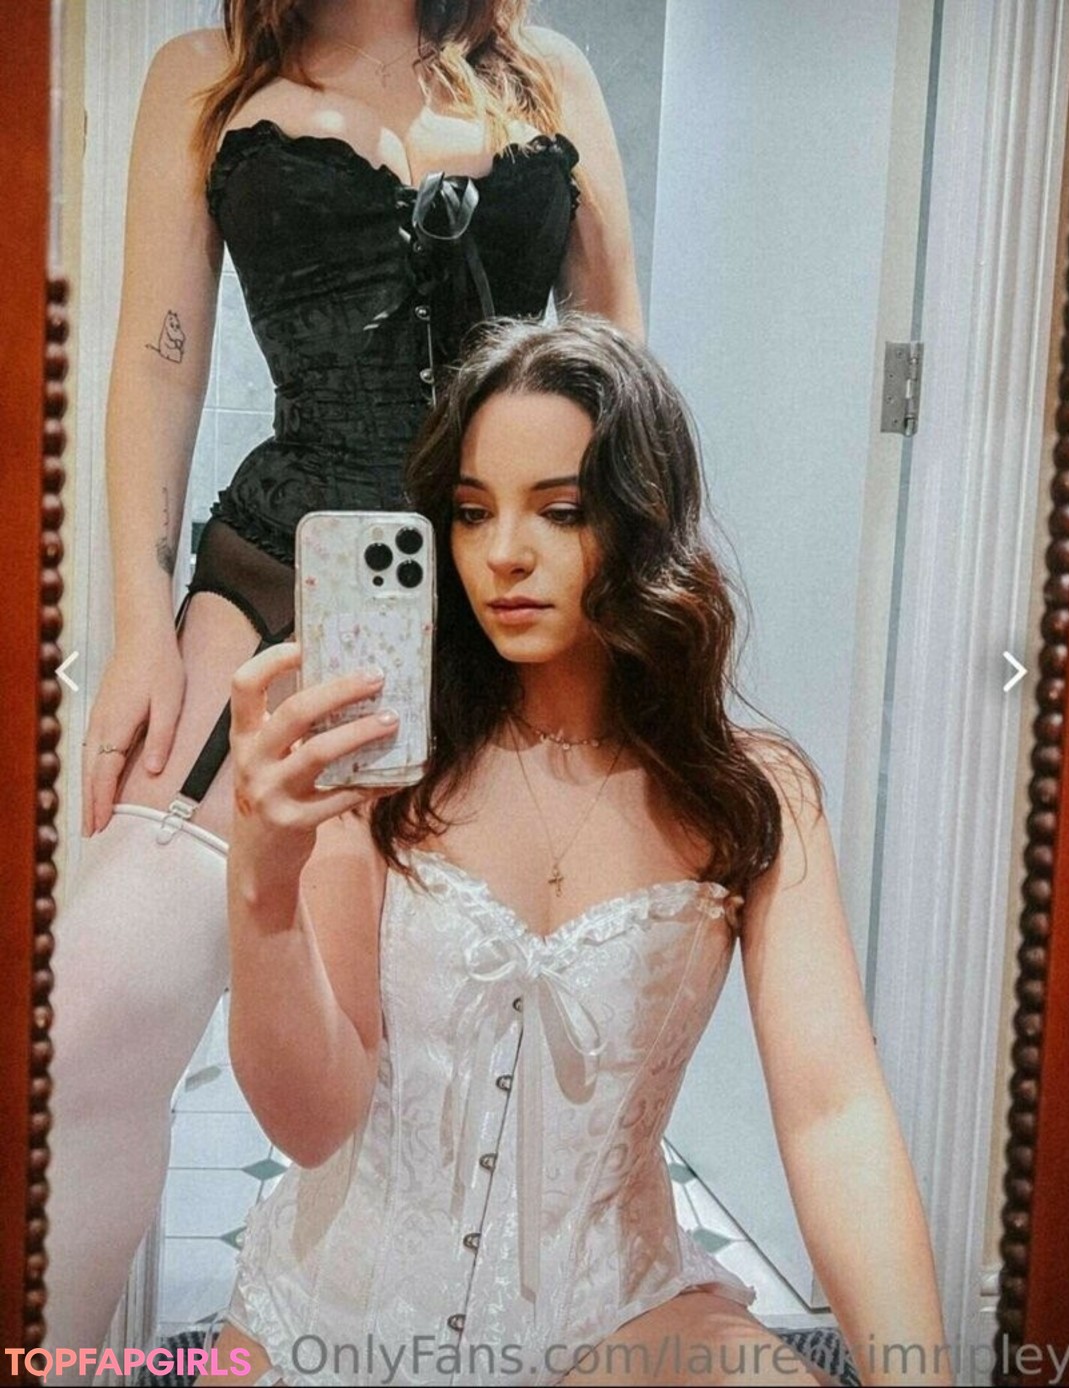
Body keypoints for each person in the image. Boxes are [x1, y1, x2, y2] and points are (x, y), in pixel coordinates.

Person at [45, 0, 641, 1369]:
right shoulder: (204, 73)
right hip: (277, 589)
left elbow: (618, 363)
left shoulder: (546, 71)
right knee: (84, 1029)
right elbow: (157, 359)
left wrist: (625, 620)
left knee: (468, 1078)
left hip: (512, 605)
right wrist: (139, 626)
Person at [195, 316, 952, 1387]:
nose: (503, 552)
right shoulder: (381, 763)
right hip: (335, 1313)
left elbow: (835, 1113)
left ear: (644, 519)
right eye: (472, 512)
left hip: (616, 1313)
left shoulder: (748, 794)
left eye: (560, 510)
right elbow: (313, 1123)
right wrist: (262, 885)